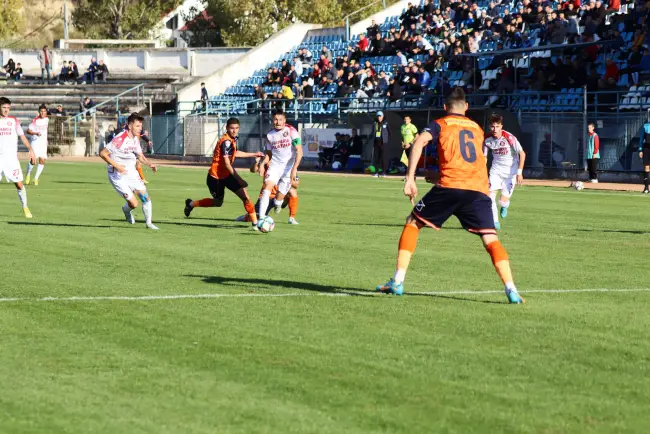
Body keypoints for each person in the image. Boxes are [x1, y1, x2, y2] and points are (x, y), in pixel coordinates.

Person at [375, 88, 524, 304]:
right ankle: (511, 289)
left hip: (450, 186)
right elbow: (472, 161)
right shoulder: (477, 128)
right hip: (478, 189)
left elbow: (418, 142)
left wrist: (410, 178)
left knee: (412, 223)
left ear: (445, 108)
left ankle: (397, 281)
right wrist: (437, 176)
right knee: (491, 239)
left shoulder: (440, 123)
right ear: (466, 108)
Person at [184, 117, 264, 230]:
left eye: (236, 128)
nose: (234, 130)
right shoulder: (226, 142)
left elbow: (235, 153)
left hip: (227, 175)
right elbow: (227, 164)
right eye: (232, 128)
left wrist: (253, 154)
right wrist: (239, 179)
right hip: (215, 177)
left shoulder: (232, 139)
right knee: (218, 202)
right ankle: (191, 204)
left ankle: (256, 224)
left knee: (245, 197)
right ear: (227, 128)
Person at [98, 113, 159, 230]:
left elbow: (140, 155)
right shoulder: (120, 139)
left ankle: (149, 223)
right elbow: (103, 153)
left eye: (140, 126)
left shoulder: (135, 139)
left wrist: (149, 164)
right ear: (129, 126)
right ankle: (126, 211)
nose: (140, 129)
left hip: (131, 171)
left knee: (145, 197)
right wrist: (117, 166)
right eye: (137, 126)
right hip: (117, 174)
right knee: (134, 204)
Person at [257, 110, 303, 223]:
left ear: (284, 120)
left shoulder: (291, 131)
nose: (278, 122)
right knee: (267, 187)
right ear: (273, 120)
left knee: (278, 200)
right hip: (275, 166)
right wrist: (262, 164)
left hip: (288, 168)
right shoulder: (270, 135)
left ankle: (278, 204)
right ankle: (261, 219)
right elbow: (269, 154)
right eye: (276, 119)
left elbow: (299, 151)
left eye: (280, 119)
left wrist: (294, 169)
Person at [482, 114, 526, 229]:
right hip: (495, 171)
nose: (494, 129)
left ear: (501, 126)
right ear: (489, 127)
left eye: (497, 126)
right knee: (490, 197)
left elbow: (522, 153)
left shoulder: (509, 137)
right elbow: (484, 157)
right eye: (492, 126)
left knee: (502, 201)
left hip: (510, 172)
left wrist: (519, 172)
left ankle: (505, 206)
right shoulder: (487, 139)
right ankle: (495, 222)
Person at [0, 97, 36, 218]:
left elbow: (22, 136)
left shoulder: (14, 120)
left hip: (11, 159)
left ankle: (25, 207)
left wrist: (31, 150)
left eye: (8, 108)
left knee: (19, 184)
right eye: (4, 107)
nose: (6, 110)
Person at [236, 158, 300, 225]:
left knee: (292, 191)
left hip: (280, 196)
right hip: (268, 196)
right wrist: (256, 162)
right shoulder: (267, 162)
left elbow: (296, 185)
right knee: (256, 218)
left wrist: (285, 181)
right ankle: (246, 217)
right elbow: (253, 170)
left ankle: (291, 218)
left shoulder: (289, 165)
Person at [25, 105, 50, 186]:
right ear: (39, 112)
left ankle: (36, 178)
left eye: (44, 111)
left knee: (42, 161)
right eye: (41, 111)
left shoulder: (47, 119)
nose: (43, 113)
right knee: (33, 161)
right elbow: (28, 131)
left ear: (46, 112)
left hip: (43, 144)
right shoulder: (35, 120)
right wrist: (35, 133)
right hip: (35, 142)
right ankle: (28, 174)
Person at [372, 111, 391, 177]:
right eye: (378, 116)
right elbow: (373, 132)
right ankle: (376, 172)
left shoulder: (386, 123)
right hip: (376, 143)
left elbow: (390, 132)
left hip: (383, 143)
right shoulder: (374, 123)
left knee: (383, 158)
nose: (379, 117)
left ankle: (384, 172)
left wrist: (385, 139)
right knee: (376, 158)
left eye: (380, 116)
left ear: (382, 116)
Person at [639, 115, 650, 194]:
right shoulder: (645, 126)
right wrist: (640, 150)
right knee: (646, 167)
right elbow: (641, 139)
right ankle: (646, 188)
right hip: (646, 149)